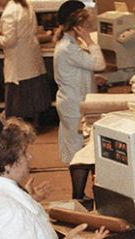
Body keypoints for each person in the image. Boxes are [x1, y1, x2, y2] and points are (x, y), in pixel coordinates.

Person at [54, 0, 106, 200]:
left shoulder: (70, 44)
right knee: (78, 152)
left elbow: (79, 69)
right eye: (85, 23)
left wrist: (91, 78)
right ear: (77, 25)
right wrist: (91, 41)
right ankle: (78, 197)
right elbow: (99, 63)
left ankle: (80, 195)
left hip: (74, 101)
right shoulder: (68, 47)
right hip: (73, 105)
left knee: (79, 148)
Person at [0, 0, 51, 128]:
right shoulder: (25, 4)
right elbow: (19, 26)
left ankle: (18, 130)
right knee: (34, 95)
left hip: (19, 60)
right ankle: (35, 125)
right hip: (31, 54)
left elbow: (9, 40)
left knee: (19, 100)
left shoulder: (9, 11)